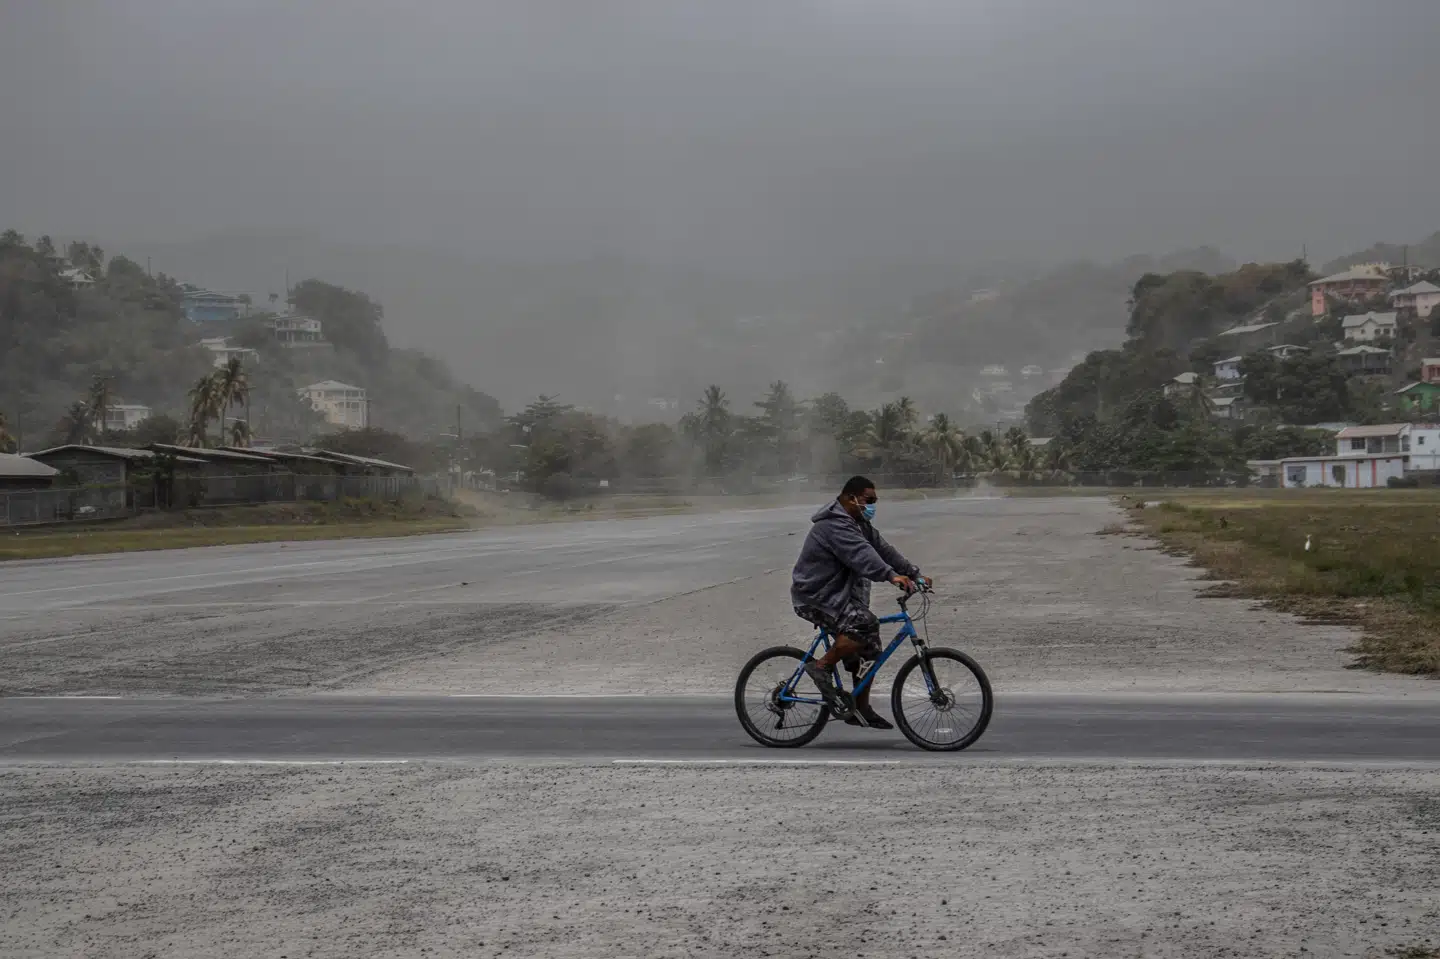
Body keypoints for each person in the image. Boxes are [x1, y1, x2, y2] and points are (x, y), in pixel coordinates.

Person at [791, 475, 928, 729]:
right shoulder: (834, 526)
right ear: (849, 498)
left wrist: (913, 573)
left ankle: (860, 708)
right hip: (815, 597)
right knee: (864, 623)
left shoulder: (860, 524)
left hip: (838, 597)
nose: (872, 505)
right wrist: (891, 576)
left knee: (871, 647)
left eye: (875, 501)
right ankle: (821, 667)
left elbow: (884, 550)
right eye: (869, 500)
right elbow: (863, 556)